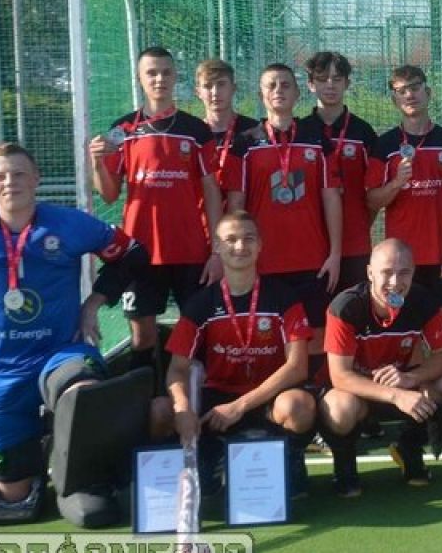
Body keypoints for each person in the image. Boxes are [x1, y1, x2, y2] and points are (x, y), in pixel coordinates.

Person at [0, 143, 155, 526]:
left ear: (36, 179)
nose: (10, 182)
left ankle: (79, 473)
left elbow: (133, 254)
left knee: (84, 396)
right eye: (0, 176)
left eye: (19, 174)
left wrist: (93, 303)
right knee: (13, 499)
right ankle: (31, 455)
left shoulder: (70, 224)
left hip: (61, 352)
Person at [164, 211, 317, 497]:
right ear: (217, 247)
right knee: (163, 411)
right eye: (231, 239)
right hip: (218, 401)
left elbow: (297, 367)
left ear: (260, 245)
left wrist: (240, 406)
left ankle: (291, 460)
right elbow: (177, 368)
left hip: (269, 396)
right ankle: (210, 457)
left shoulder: (284, 297)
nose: (240, 246)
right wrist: (182, 407)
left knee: (299, 405)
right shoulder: (200, 304)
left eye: (248, 239)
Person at [89, 46, 224, 364]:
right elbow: (109, 195)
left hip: (190, 251)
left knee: (197, 335)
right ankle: (148, 393)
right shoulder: (122, 131)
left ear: (175, 77)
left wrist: (217, 251)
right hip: (139, 253)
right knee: (142, 338)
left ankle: (193, 394)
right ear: (139, 78)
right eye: (151, 73)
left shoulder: (196, 130)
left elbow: (212, 193)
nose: (159, 79)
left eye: (165, 72)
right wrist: (96, 163)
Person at [319, 239, 442, 496]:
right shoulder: (345, 307)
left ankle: (409, 447)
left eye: (404, 272)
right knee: (340, 408)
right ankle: (344, 467)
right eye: (386, 272)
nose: (395, 281)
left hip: (402, 384)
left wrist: (412, 378)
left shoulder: (423, 300)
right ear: (370, 273)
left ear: (413, 272)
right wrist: (397, 395)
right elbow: (340, 376)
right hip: (357, 393)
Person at [225, 63, 342, 363]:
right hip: (263, 260)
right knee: (269, 337)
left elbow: (331, 198)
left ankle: (313, 390)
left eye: (286, 85)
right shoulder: (245, 143)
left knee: (315, 336)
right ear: (261, 94)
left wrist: (335, 253)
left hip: (312, 259)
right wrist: (237, 255)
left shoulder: (318, 140)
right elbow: (236, 206)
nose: (279, 91)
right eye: (271, 85)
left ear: (298, 93)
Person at [366, 64, 442, 357]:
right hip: (403, 261)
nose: (409, 95)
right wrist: (397, 183)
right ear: (394, 99)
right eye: (401, 91)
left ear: (428, 92)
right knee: (407, 331)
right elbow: (372, 201)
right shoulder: (385, 145)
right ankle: (414, 385)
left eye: (415, 88)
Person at [300, 51, 377, 294]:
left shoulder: (363, 132)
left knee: (352, 309)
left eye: (337, 79)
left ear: (347, 83)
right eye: (322, 79)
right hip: (310, 243)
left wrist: (362, 223)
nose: (330, 85)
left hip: (355, 243)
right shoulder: (300, 131)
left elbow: (374, 192)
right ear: (310, 84)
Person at [194, 58, 259, 195]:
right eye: (207, 86)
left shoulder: (253, 130)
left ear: (233, 88)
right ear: (198, 92)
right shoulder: (193, 134)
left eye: (221, 84)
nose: (215, 92)